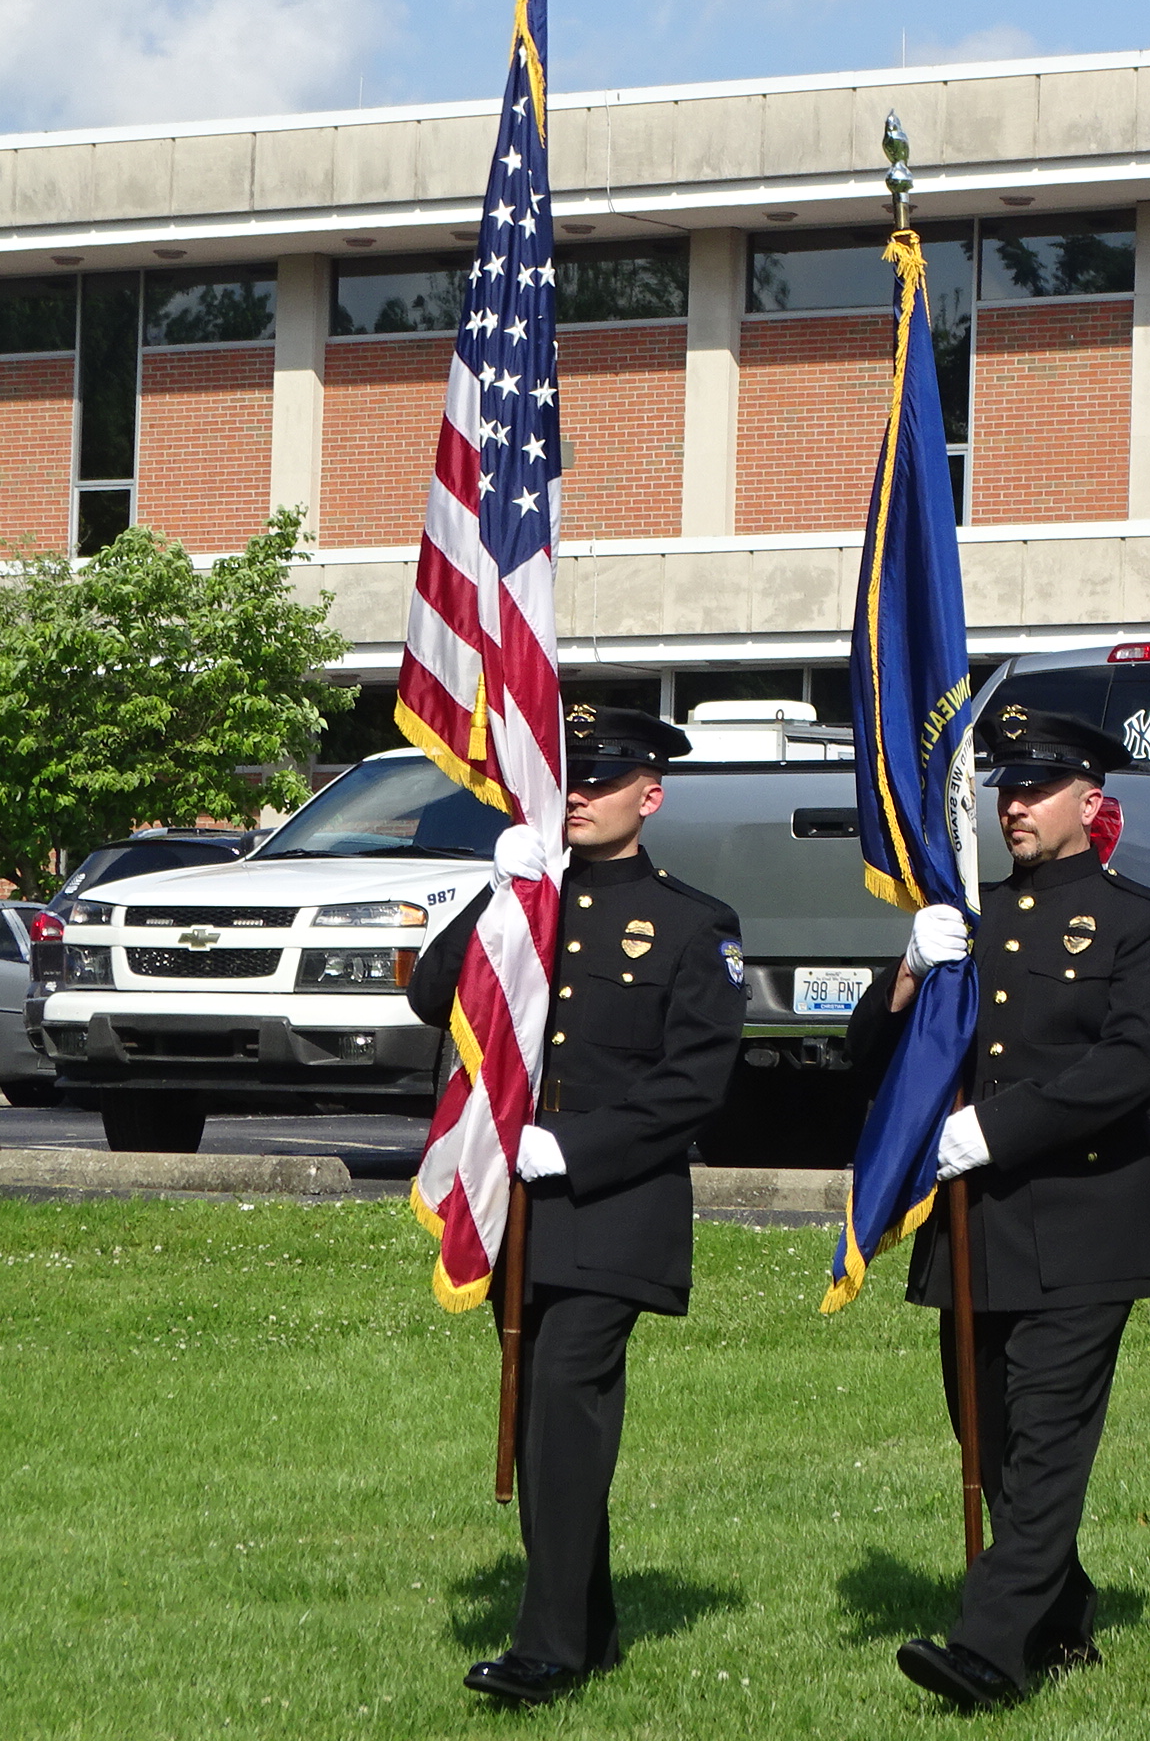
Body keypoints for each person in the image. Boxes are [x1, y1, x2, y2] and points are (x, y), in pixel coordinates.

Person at [851, 705, 1150, 1710]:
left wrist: (996, 1130)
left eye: (1037, 789)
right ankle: (1062, 1616)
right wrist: (911, 970)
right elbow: (870, 1061)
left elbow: (1137, 1064)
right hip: (980, 1230)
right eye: (1005, 789)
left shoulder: (1145, 921)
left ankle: (988, 1647)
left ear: (1094, 804)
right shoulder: (973, 918)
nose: (1014, 806)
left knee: (1047, 1442)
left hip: (1084, 1220)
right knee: (992, 1439)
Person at [409, 704, 746, 1707]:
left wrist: (574, 1143)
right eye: (574, 778)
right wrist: (502, 885)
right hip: (516, 1211)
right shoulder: (527, 905)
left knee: (562, 1399)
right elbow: (437, 994)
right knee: (544, 1427)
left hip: (614, 1203)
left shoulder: (694, 923)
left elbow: (696, 1082)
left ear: (653, 794)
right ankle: (590, 1623)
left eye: (606, 780)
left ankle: (546, 1646)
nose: (584, 795)